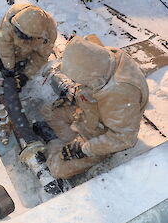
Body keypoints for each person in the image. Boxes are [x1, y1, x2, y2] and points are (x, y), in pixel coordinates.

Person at [35, 35, 149, 179]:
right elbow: (89, 39)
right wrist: (76, 95)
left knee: (57, 169)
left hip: (104, 131)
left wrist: (84, 149)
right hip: (90, 110)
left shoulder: (120, 94)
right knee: (49, 111)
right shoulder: (102, 58)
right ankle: (64, 140)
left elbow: (125, 138)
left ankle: (60, 146)